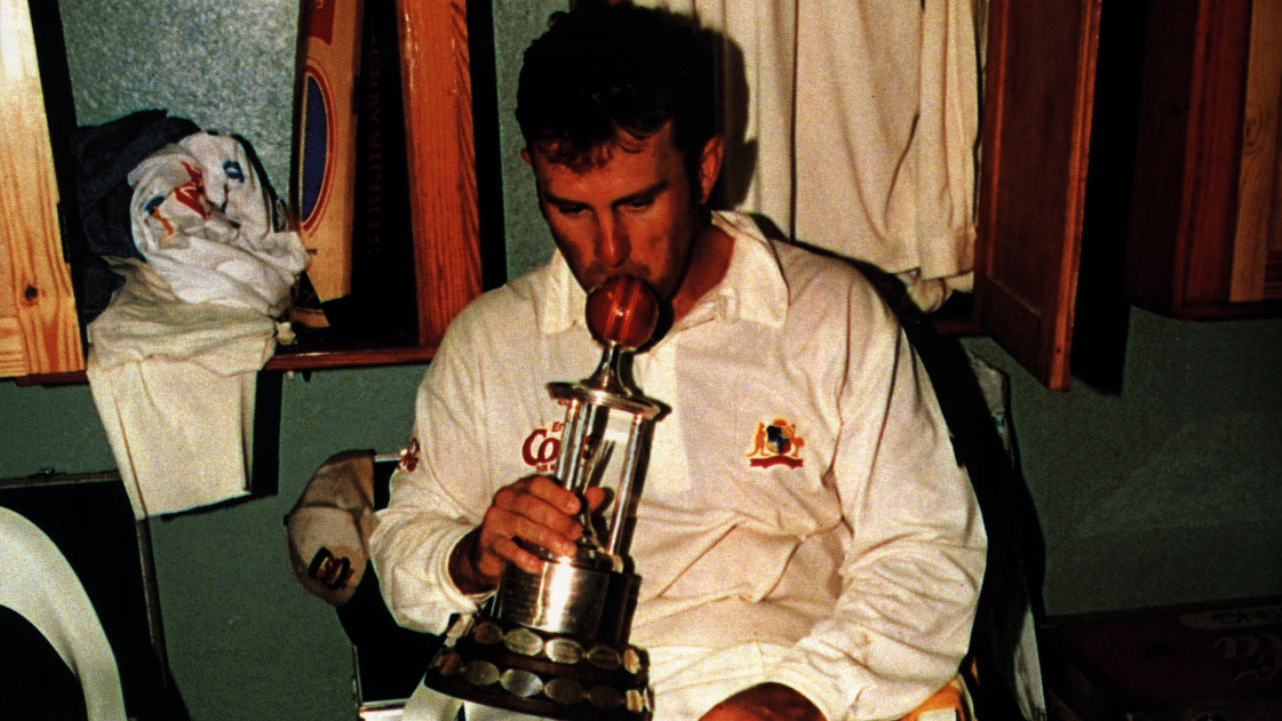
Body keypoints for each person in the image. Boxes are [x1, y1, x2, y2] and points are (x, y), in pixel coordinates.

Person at [368, 2, 986, 719]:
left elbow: (928, 549)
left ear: (704, 168)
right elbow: (401, 544)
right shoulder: (489, 340)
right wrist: (470, 556)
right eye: (570, 209)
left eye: (637, 203)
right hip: (549, 694)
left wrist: (801, 695)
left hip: (787, 669)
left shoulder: (831, 314)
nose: (605, 252)